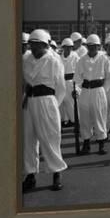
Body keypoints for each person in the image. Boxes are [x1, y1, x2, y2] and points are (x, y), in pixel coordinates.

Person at [22, 29, 68, 193]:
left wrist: (53, 104)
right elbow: (25, 81)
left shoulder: (53, 60)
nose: (32, 49)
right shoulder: (26, 59)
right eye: (31, 45)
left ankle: (56, 172)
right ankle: (30, 174)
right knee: (28, 139)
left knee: (50, 137)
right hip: (30, 102)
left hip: (47, 101)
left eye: (36, 45)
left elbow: (61, 88)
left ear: (44, 45)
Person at [74, 34, 110, 155]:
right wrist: (76, 89)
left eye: (94, 46)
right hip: (85, 91)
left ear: (98, 46)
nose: (92, 48)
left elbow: (109, 76)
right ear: (87, 46)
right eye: (90, 46)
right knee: (85, 118)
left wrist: (104, 89)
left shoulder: (104, 59)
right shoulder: (81, 60)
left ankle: (101, 143)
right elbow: (77, 78)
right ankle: (86, 144)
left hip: (98, 90)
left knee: (99, 117)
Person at [59, 38, 80, 128]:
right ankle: (66, 120)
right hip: (62, 82)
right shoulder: (59, 57)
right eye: (66, 47)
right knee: (63, 103)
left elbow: (79, 71)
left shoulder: (75, 57)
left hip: (72, 82)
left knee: (73, 103)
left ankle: (76, 121)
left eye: (70, 47)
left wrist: (78, 86)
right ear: (63, 47)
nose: (68, 49)